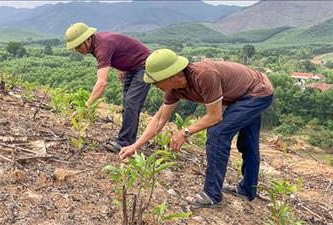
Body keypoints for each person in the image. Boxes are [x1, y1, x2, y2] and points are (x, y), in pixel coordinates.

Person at [119, 49, 274, 208]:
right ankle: (247, 190)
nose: (154, 85)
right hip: (242, 93)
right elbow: (159, 119)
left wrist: (185, 132)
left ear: (171, 76)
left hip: (257, 91)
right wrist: (135, 146)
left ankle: (211, 194)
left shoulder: (204, 75)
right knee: (247, 143)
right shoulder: (173, 90)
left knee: (218, 132)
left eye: (155, 81)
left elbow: (215, 116)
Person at [65, 22, 151, 152]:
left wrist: (85, 107)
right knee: (127, 103)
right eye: (75, 48)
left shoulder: (102, 46)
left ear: (87, 39)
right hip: (130, 68)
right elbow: (120, 48)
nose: (78, 50)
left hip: (143, 66)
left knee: (131, 103)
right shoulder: (96, 43)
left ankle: (124, 143)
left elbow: (102, 82)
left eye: (79, 46)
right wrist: (121, 66)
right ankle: (128, 141)